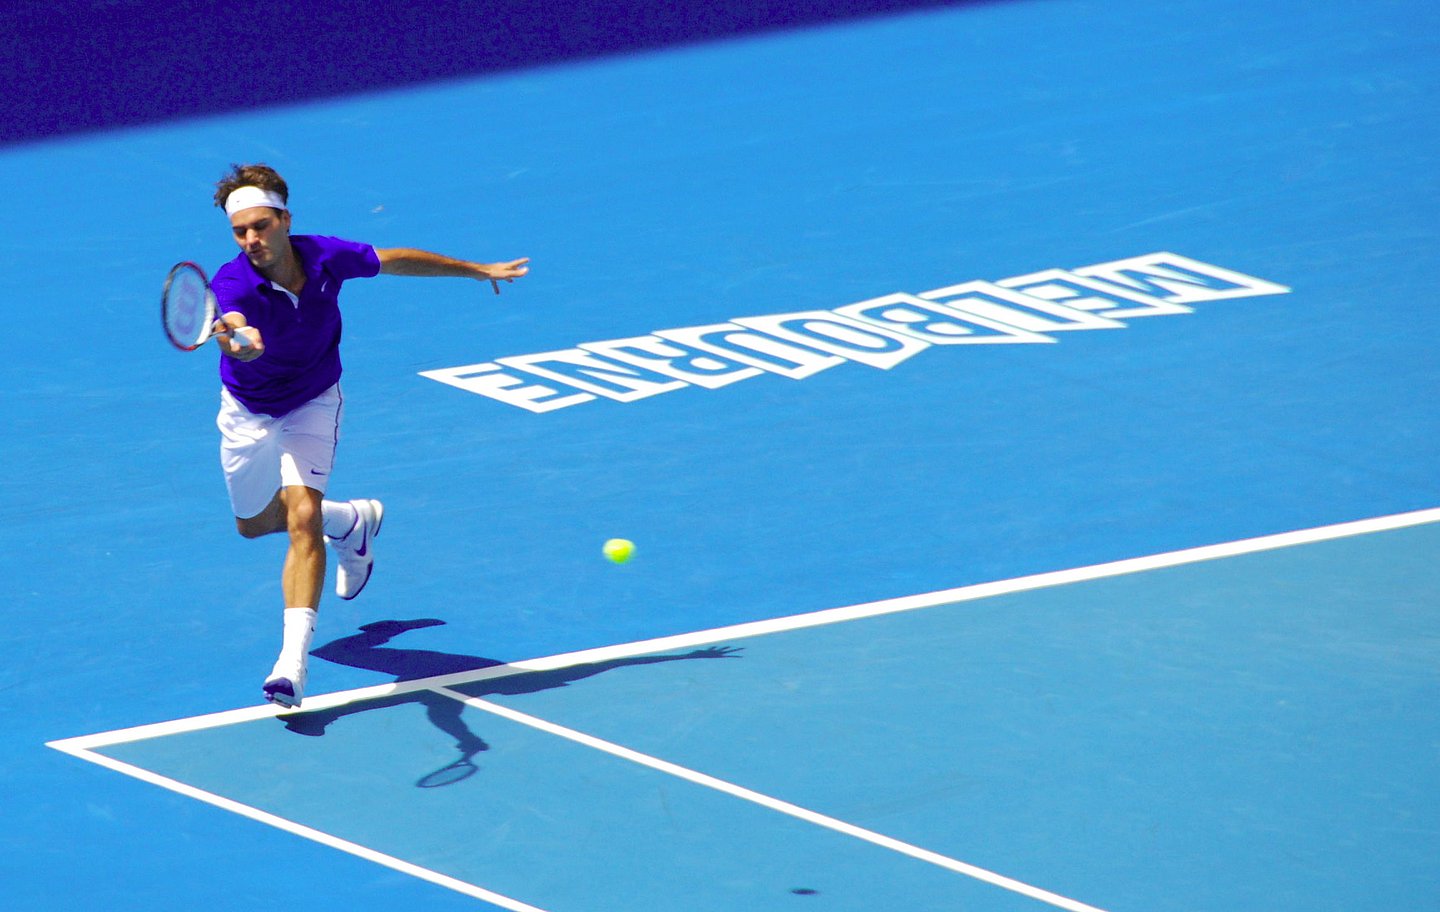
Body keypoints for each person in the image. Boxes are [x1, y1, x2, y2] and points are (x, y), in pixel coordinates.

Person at [209, 163, 529, 710]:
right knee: (254, 525)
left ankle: (291, 666)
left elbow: (394, 260)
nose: (252, 240)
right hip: (249, 413)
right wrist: (239, 341)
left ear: (286, 220)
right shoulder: (232, 281)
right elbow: (234, 325)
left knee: (301, 520)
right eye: (240, 231)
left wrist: (475, 269)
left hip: (313, 400)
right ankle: (351, 521)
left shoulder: (325, 255)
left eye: (261, 226)